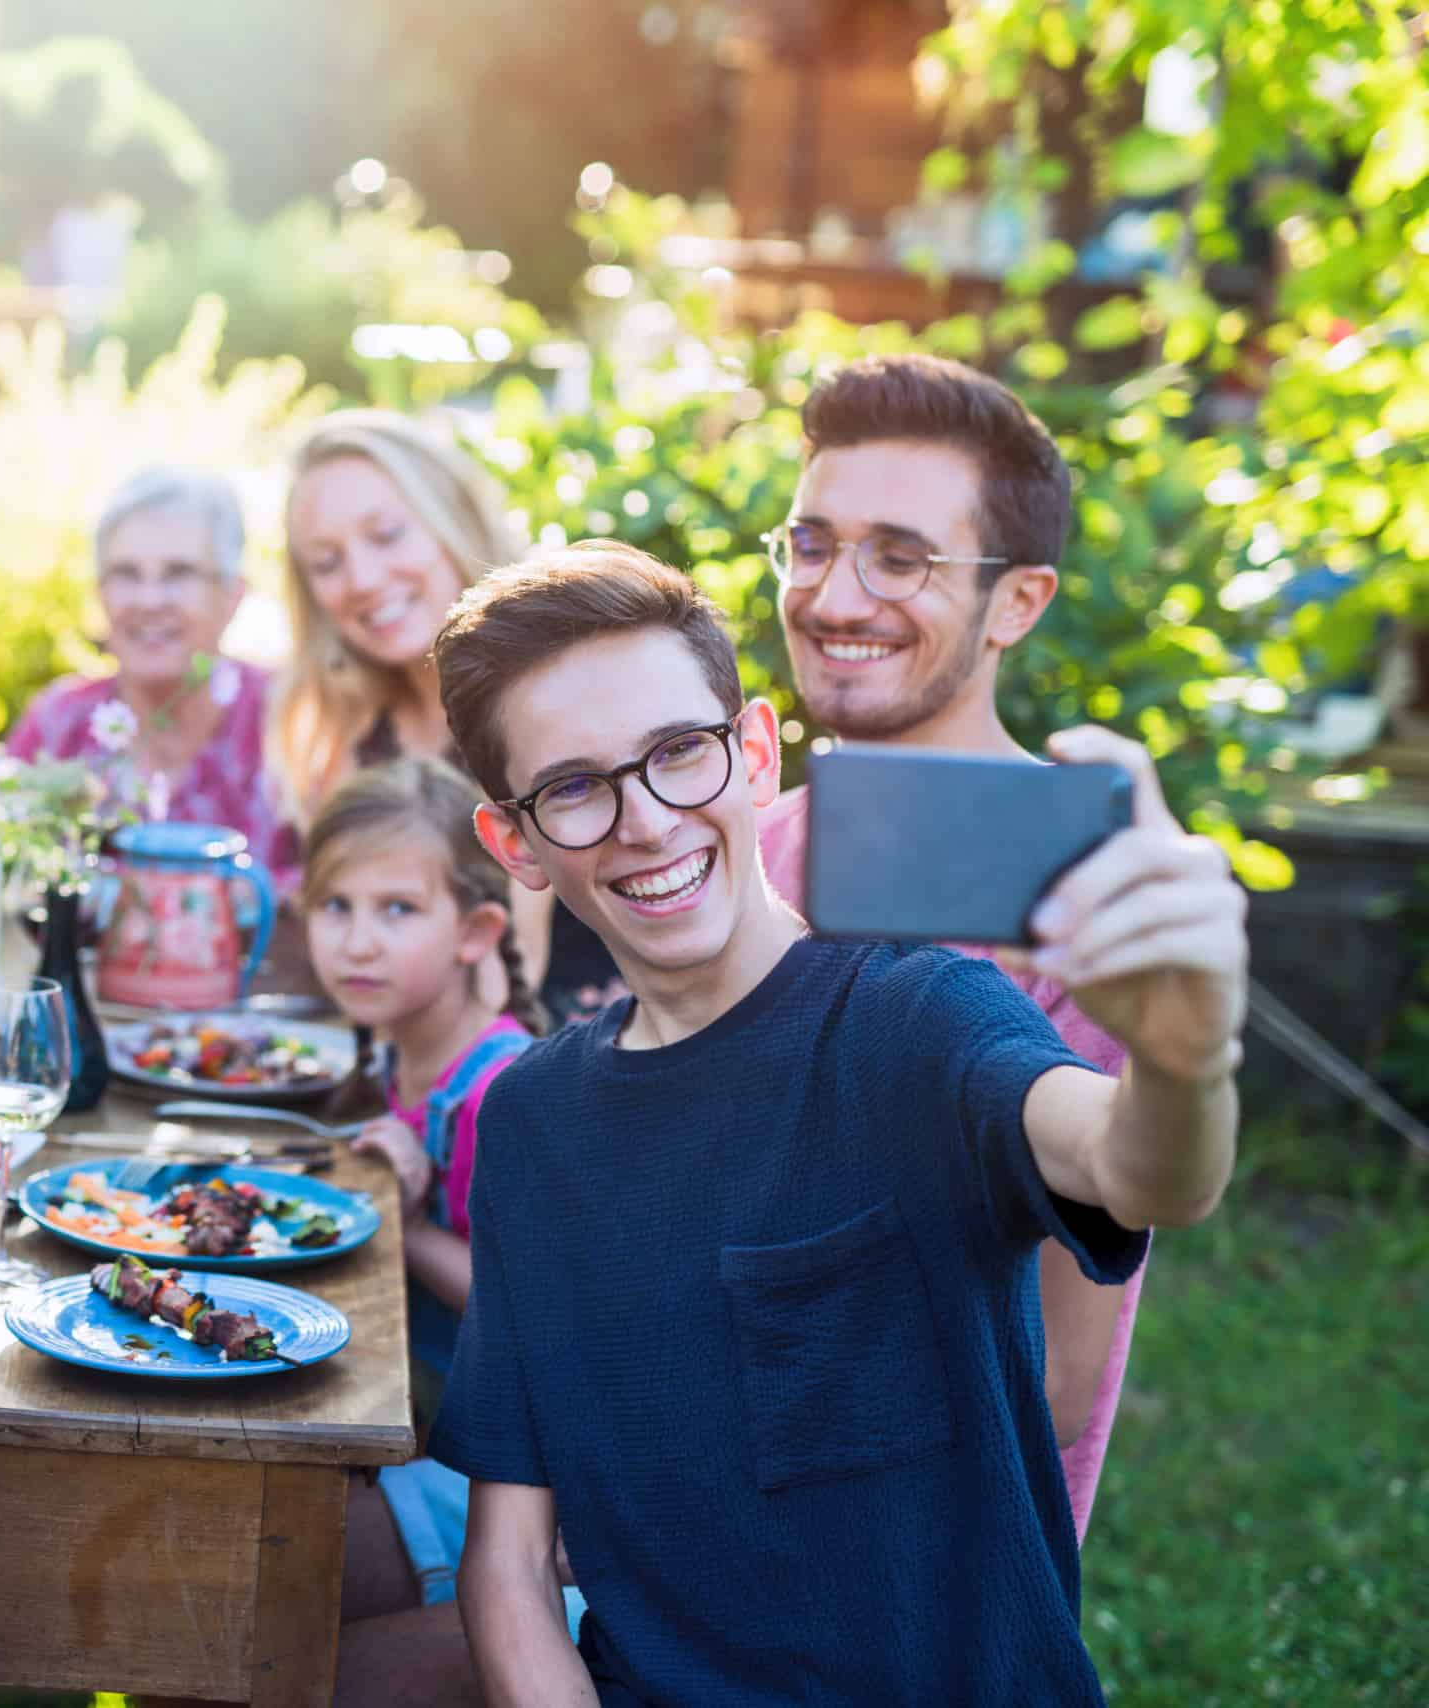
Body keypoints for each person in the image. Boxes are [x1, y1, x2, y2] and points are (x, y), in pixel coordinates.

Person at [428, 544, 1246, 1706]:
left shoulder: (916, 1018)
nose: (647, 821)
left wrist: (1183, 1056)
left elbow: (1140, 1166)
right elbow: (508, 1562)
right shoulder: (531, 1120)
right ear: (515, 843)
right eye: (572, 786)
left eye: (678, 753)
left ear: (754, 752)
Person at [755, 350, 1145, 1540]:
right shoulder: (756, 846)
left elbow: (1055, 1382)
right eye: (811, 542)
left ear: (1017, 602)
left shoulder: (1077, 892)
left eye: (901, 556)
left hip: (925, 1567)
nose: (832, 596)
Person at [303, 758, 555, 1708]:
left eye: (398, 910)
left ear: (477, 931)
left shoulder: (502, 1096)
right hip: (422, 1443)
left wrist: (401, 1228)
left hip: (504, 1501)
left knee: (235, 1578)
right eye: (336, 906)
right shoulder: (404, 1061)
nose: (358, 942)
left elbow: (534, 1318)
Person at [274, 410, 620, 1018]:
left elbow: (505, 989)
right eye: (326, 563)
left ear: (452, 520)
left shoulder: (544, 703)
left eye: (386, 535)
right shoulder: (357, 736)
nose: (362, 578)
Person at [5, 466, 293, 873]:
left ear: (232, 596)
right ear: (100, 593)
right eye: (126, 574)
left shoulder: (291, 721)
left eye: (179, 573)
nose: (150, 599)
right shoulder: (58, 723)